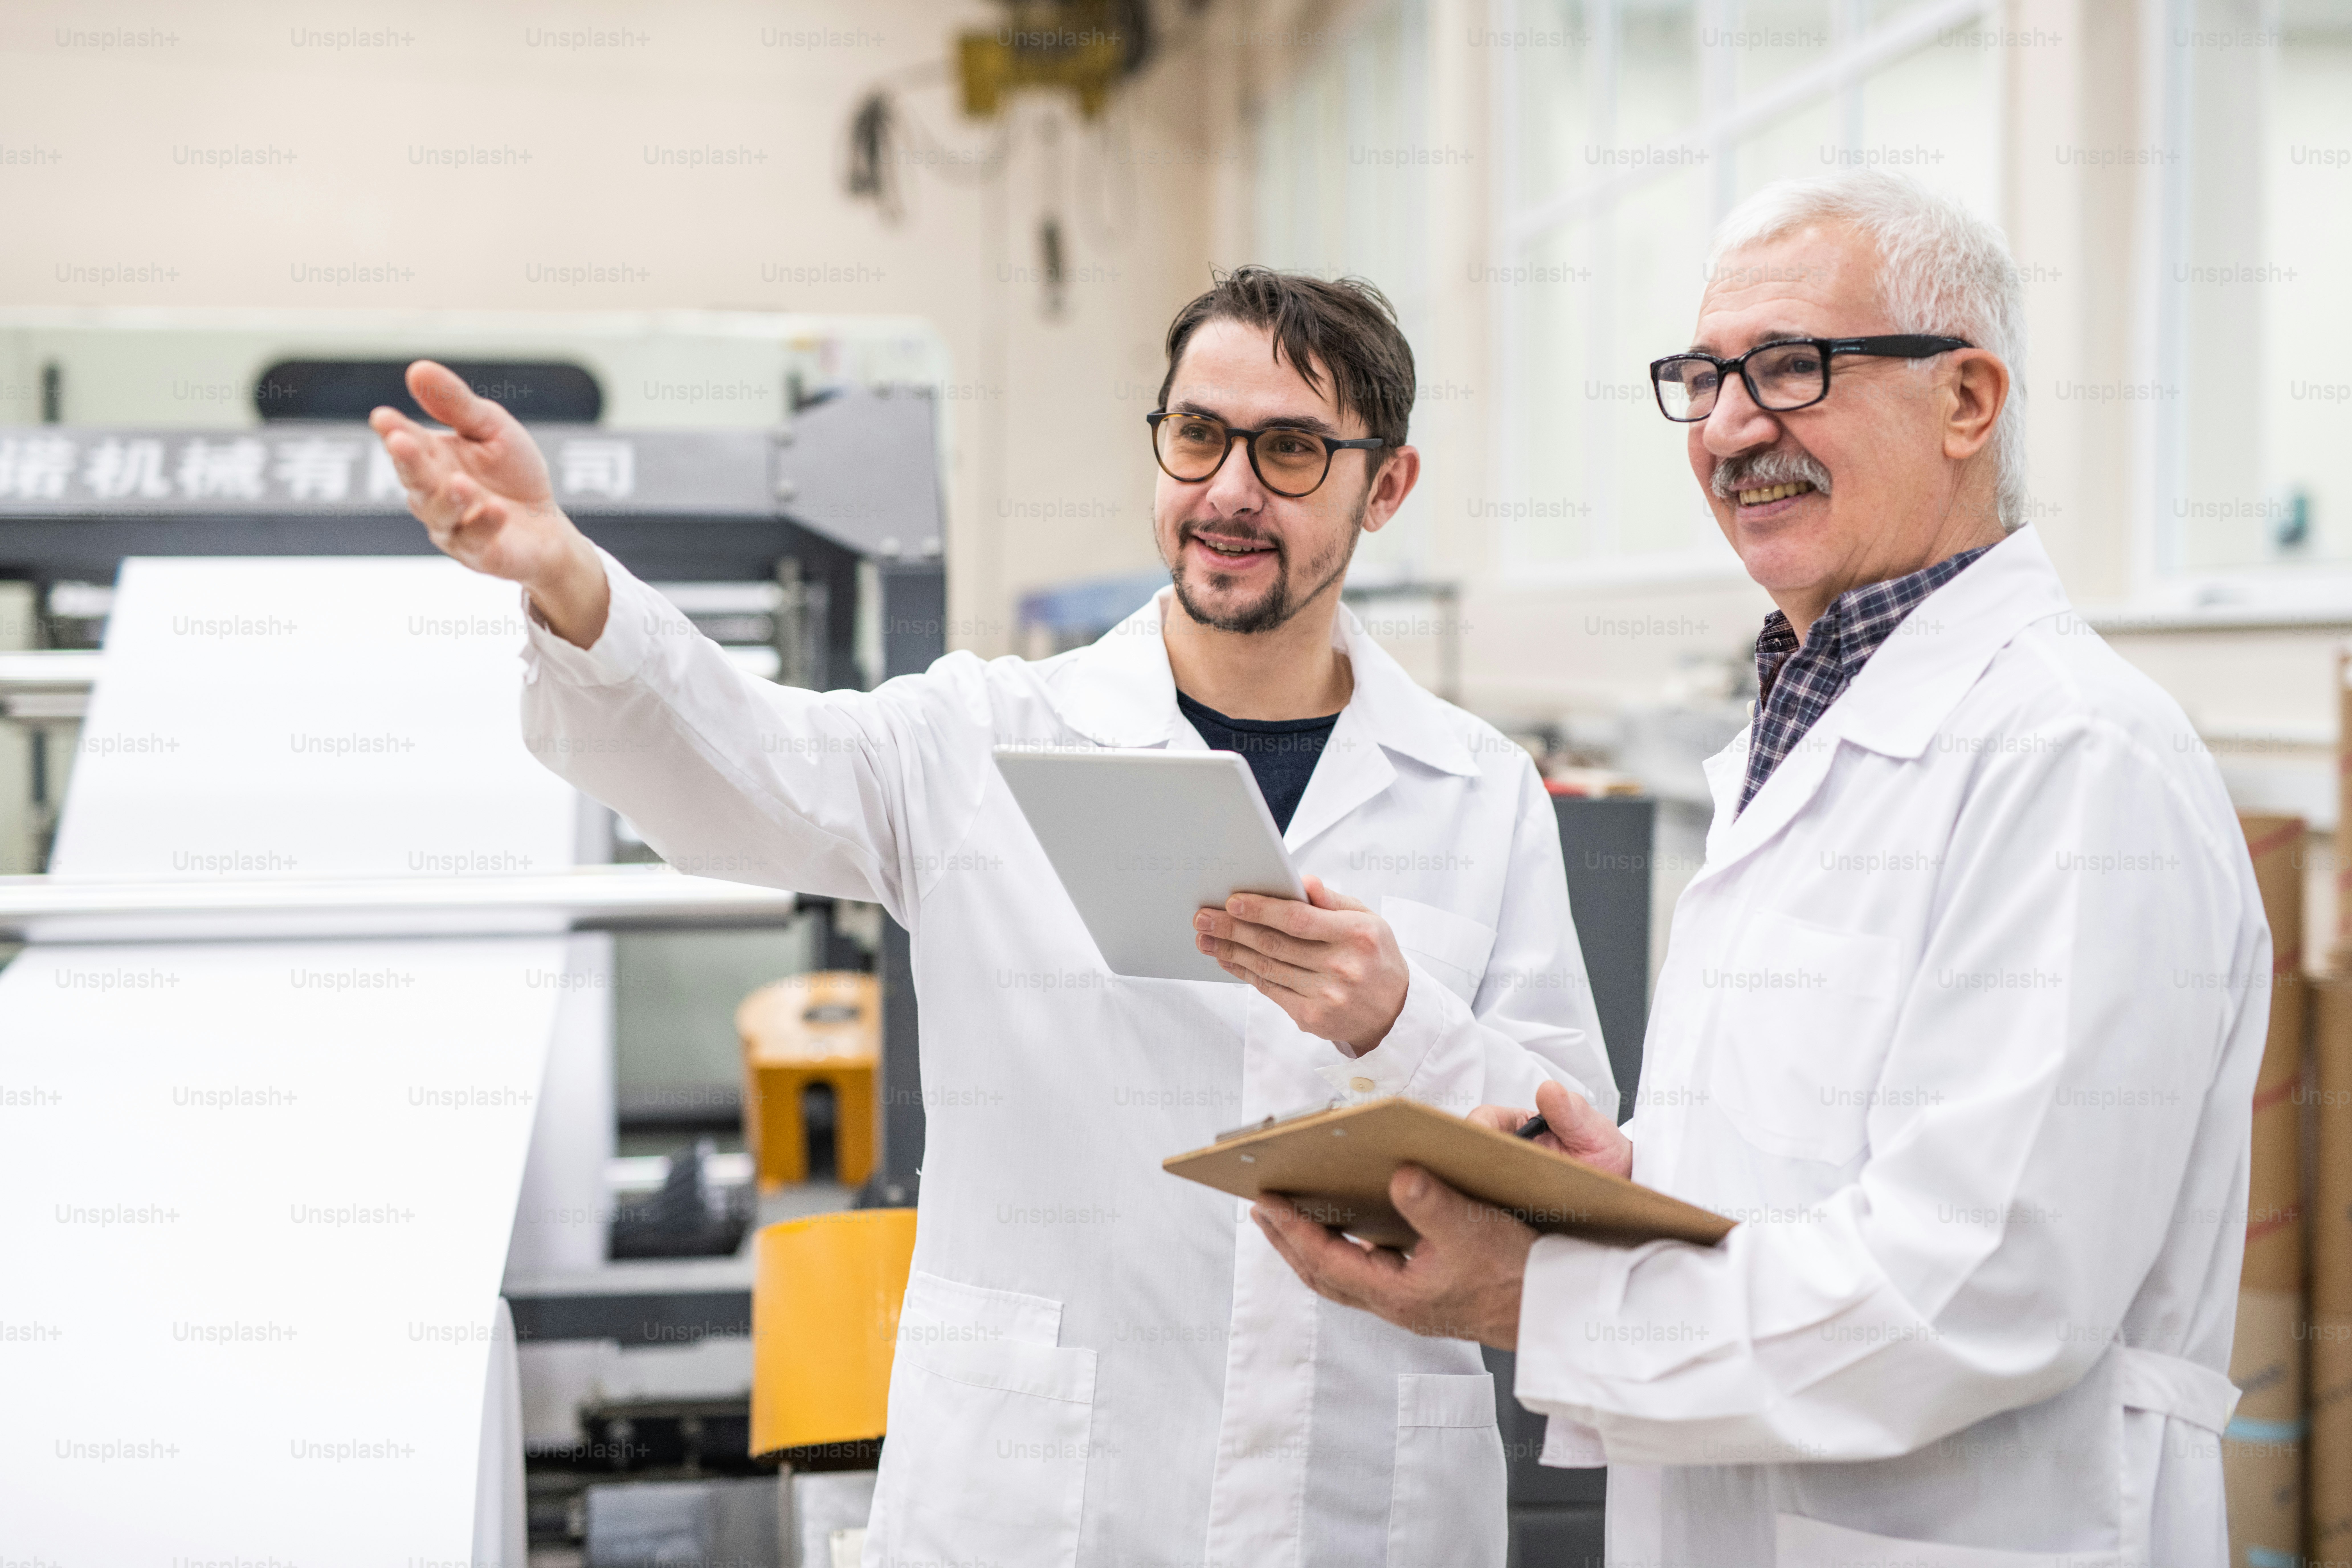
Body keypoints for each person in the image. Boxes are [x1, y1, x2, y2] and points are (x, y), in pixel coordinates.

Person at [369, 267, 1615, 1568]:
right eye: (1198, 435)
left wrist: (1401, 1021)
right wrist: (568, 573)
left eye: (1292, 449)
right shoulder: (982, 736)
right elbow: (738, 761)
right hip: (1041, 1497)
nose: (1229, 491)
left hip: (1357, 1500)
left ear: (1388, 485)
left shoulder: (1477, 790)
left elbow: (1573, 1166)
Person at [1254, 171, 2267, 1567]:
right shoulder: (1807, 729)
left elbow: (1986, 1282)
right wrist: (1618, 1188)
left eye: (1793, 368)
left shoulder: (2078, 756)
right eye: (1704, 377)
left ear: (1969, 400)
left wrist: (1538, 1297)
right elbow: (1818, 1172)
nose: (1733, 426)